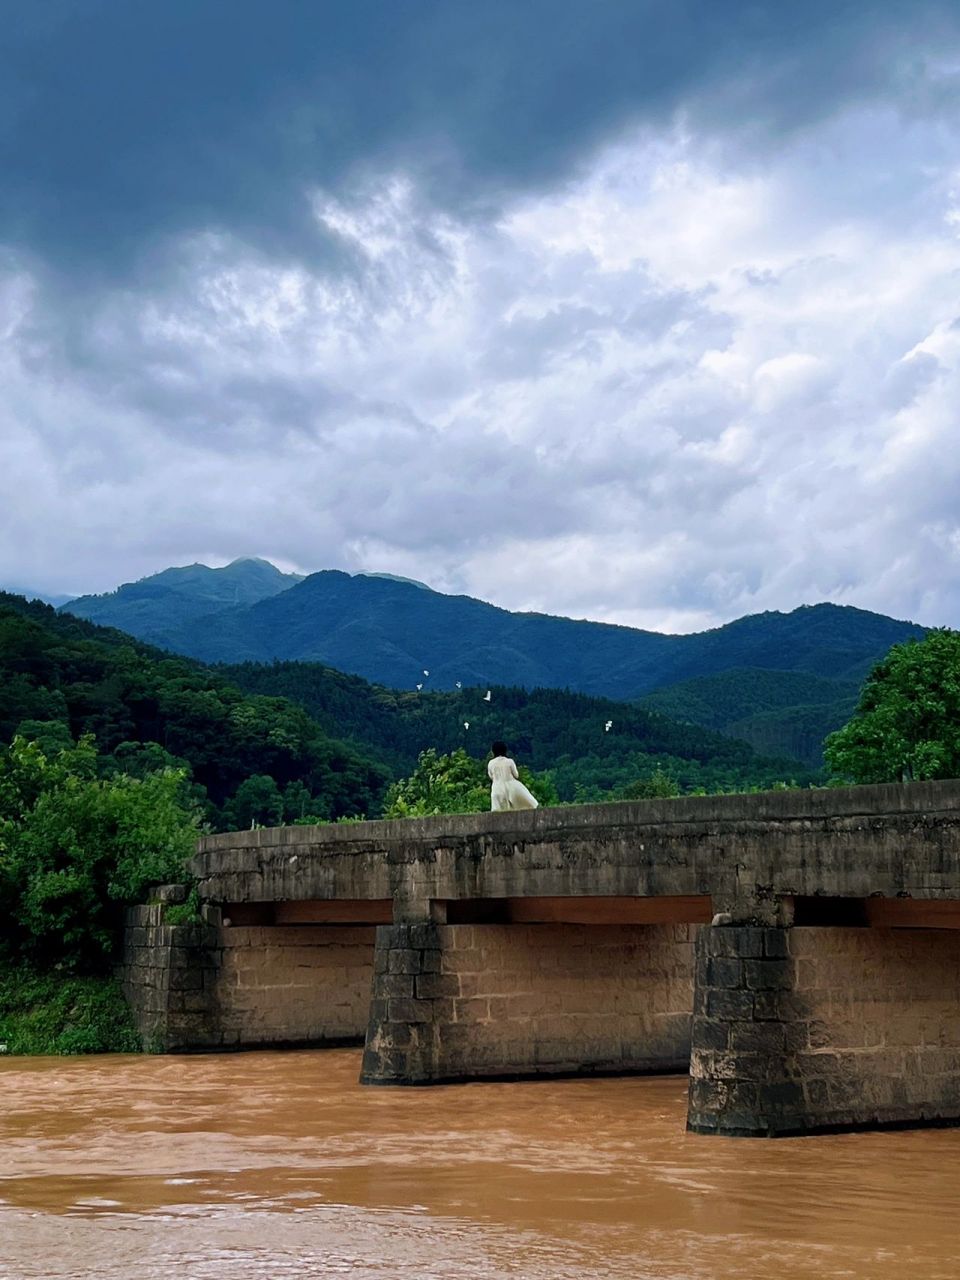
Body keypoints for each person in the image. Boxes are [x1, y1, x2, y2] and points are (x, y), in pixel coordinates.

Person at [487, 741, 539, 812]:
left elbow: (491, 776)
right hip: (511, 787)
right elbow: (516, 775)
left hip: (496, 788)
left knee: (497, 812)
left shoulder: (491, 763)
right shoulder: (509, 761)